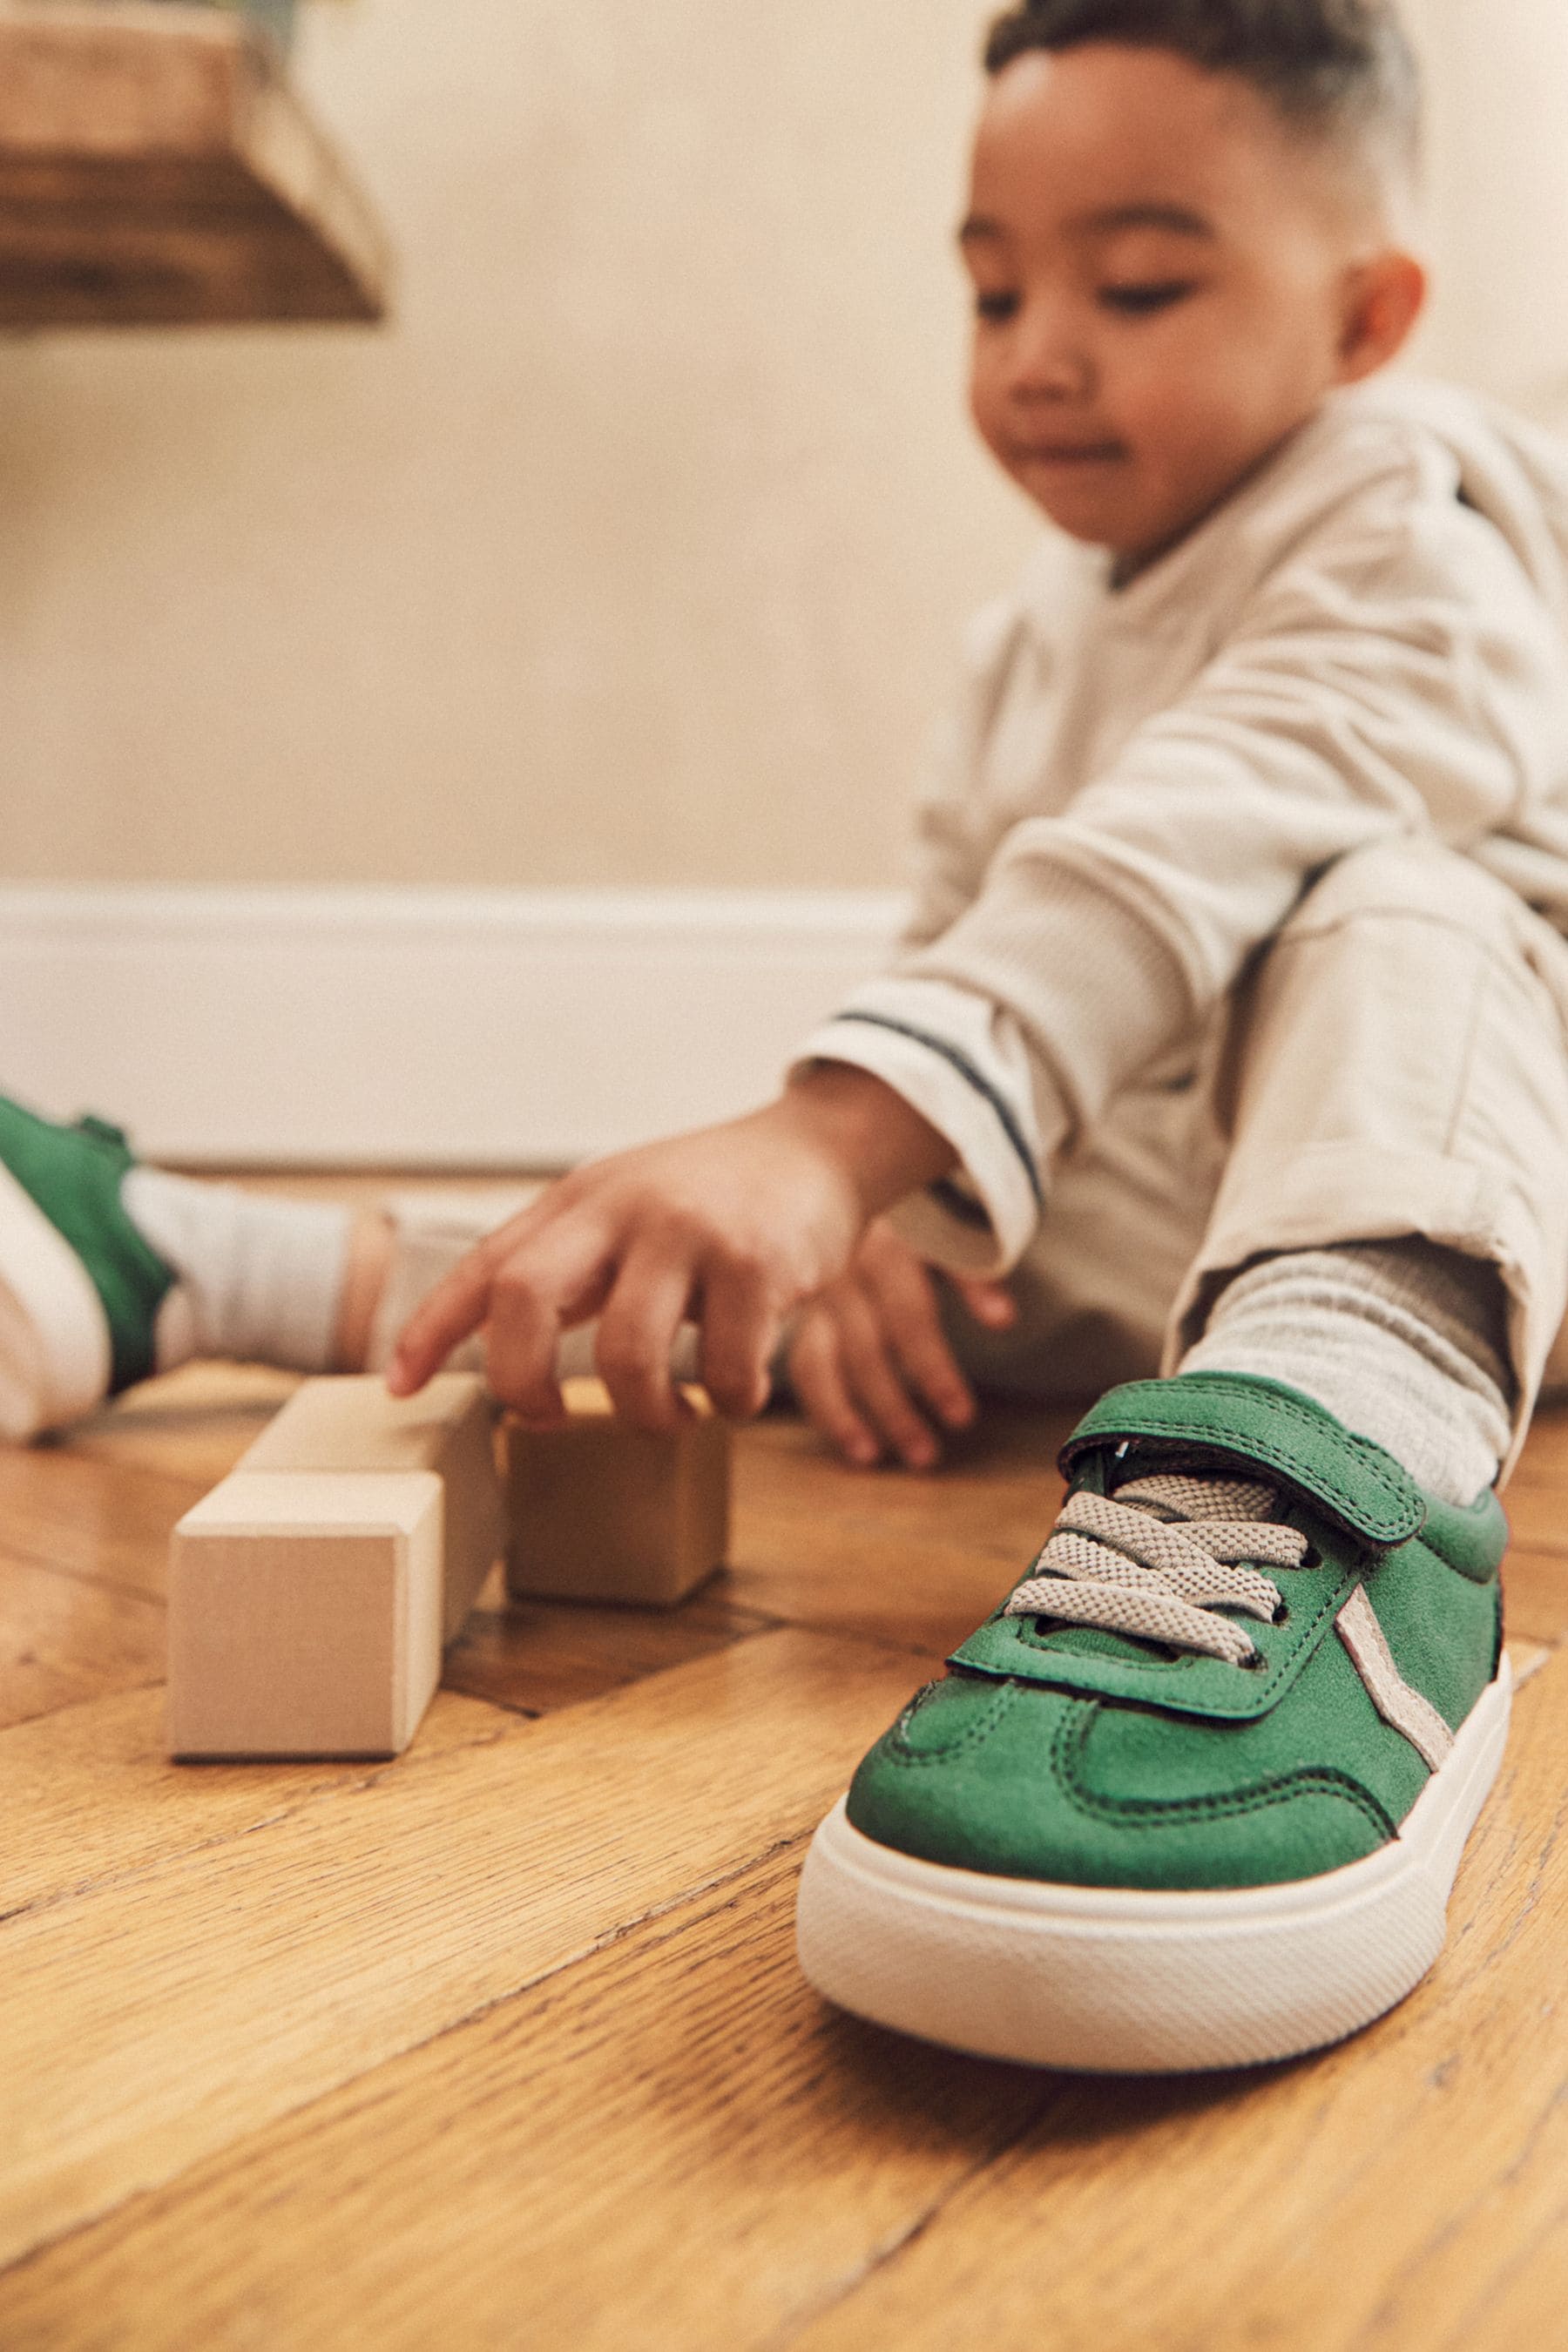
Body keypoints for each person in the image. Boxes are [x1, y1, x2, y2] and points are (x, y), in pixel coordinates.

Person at [9, 0, 1568, 2071]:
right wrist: (878, 1239)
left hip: (1463, 1226)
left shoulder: (1420, 524)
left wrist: (842, 1136)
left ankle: (1346, 1504)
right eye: (992, 285)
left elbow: (1197, 829)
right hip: (1159, 1258)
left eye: (1141, 281)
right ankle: (196, 1255)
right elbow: (972, 946)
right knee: (724, 1243)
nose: (1039, 349)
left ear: (1368, 314)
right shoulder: (1032, 637)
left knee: (1407, 906)